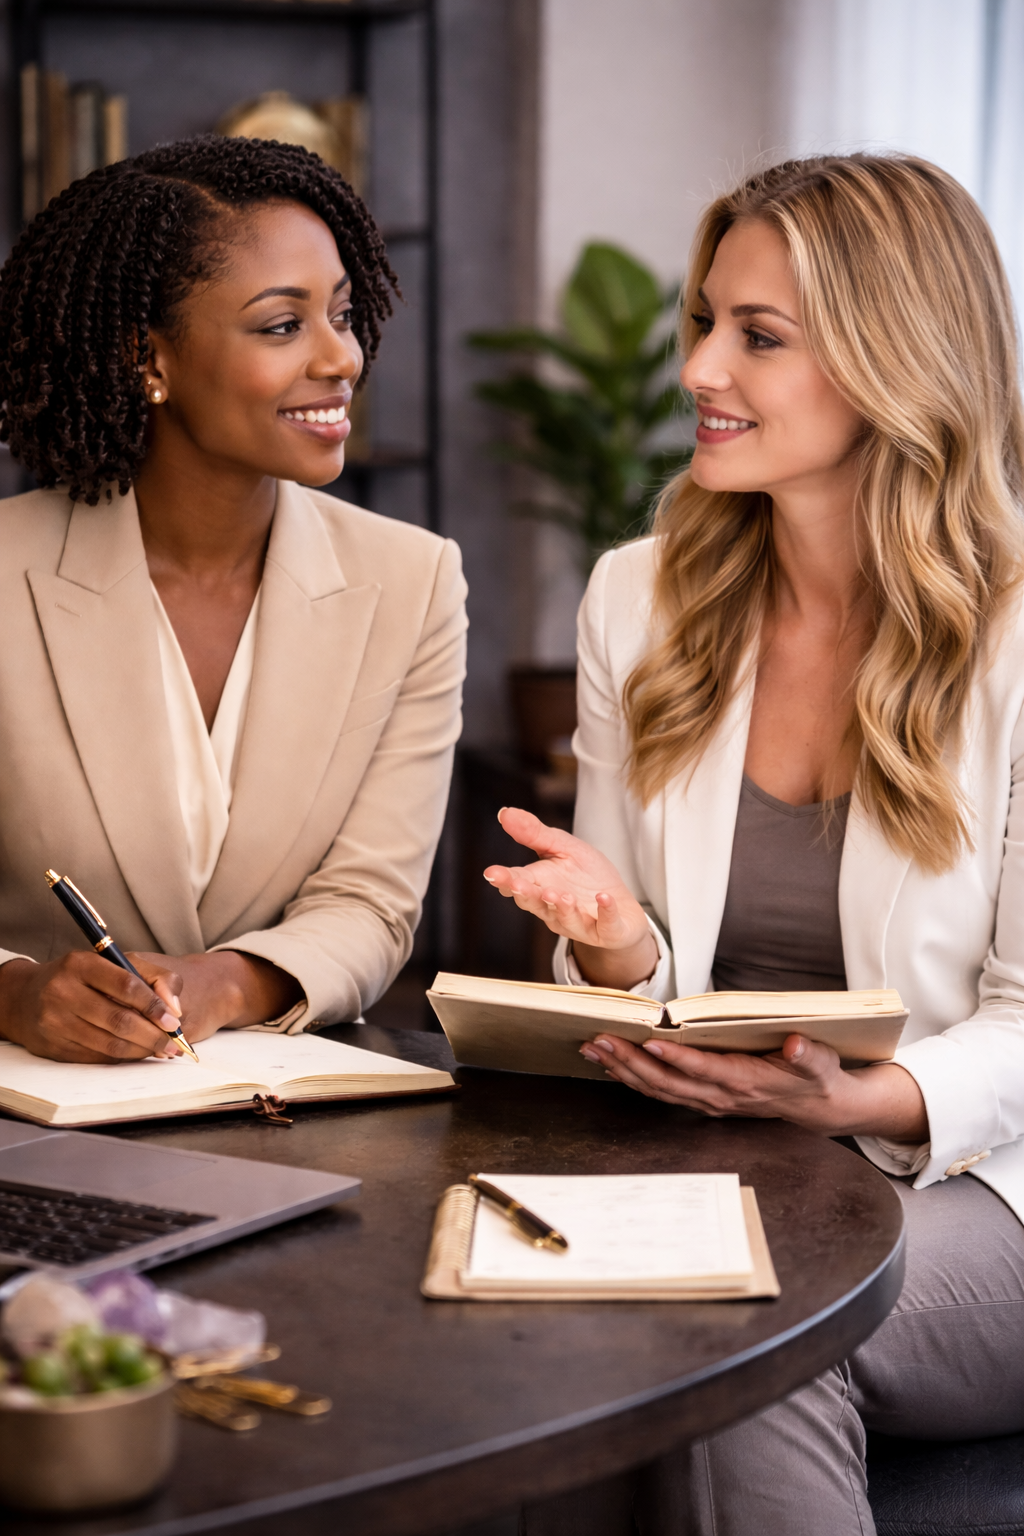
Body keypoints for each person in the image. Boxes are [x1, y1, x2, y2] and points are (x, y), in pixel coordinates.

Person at [485, 155, 1024, 1534]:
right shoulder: (642, 596)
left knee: (752, 1337)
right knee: (505, 1308)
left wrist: (861, 1104)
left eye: (760, 337)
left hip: (988, 1188)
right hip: (732, 1162)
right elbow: (642, 966)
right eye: (706, 323)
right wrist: (608, 942)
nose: (702, 370)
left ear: (898, 362)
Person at [0, 135, 466, 1064]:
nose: (343, 358)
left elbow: (372, 903)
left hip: (279, 1110)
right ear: (149, 359)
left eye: (340, 313)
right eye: (281, 325)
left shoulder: (412, 583)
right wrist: (14, 993)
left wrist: (226, 981)